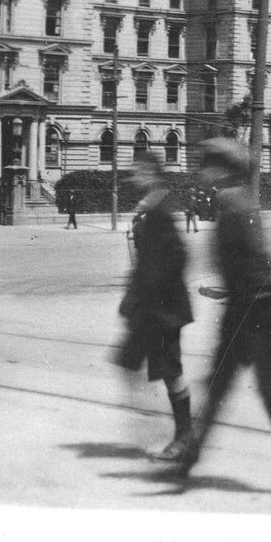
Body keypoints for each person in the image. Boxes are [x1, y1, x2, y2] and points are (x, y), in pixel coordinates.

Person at [175, 138, 271, 497]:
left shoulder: (238, 206)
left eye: (208, 165)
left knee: (270, 390)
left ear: (223, 169)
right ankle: (188, 457)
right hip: (240, 312)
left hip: (254, 314)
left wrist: (268, 307)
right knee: (218, 385)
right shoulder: (231, 204)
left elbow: (258, 261)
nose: (203, 172)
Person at [112, 154, 196, 462]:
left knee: (171, 372)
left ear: (150, 174)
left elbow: (179, 257)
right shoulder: (150, 208)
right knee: (129, 363)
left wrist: (155, 295)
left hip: (162, 312)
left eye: (138, 172)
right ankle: (155, 428)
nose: (134, 177)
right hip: (149, 311)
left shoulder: (161, 210)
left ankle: (183, 436)